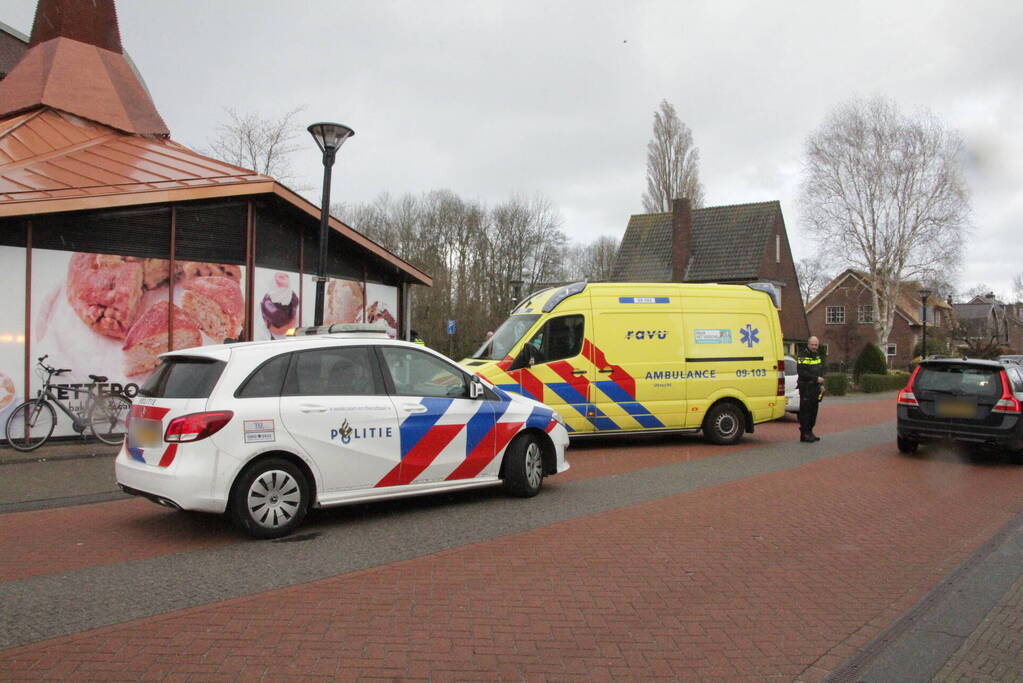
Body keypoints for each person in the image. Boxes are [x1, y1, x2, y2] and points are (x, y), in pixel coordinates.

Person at [797, 336, 825, 442]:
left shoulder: (817, 355)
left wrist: (821, 385)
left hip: (815, 387)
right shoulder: (803, 355)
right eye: (812, 345)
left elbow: (819, 370)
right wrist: (816, 378)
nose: (814, 347)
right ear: (808, 344)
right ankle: (804, 434)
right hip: (806, 387)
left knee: (814, 411)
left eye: (816, 345)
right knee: (805, 412)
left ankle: (810, 432)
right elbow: (802, 372)